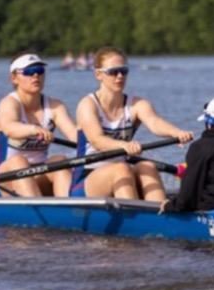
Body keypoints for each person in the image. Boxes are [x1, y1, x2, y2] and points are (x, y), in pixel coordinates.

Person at [72, 46, 193, 200]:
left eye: (124, 70)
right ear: (98, 74)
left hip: (122, 174)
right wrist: (124, 145)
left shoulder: (136, 104)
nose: (120, 76)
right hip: (86, 178)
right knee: (121, 169)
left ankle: (163, 216)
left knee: (147, 165)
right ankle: (136, 218)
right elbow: (97, 140)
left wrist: (176, 132)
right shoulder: (87, 105)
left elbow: (154, 122)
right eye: (113, 71)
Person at [0, 53, 79, 197]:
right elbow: (9, 128)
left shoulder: (54, 106)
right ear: (13, 78)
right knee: (18, 161)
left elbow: (75, 136)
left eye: (39, 71)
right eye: (28, 72)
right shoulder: (9, 104)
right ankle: (36, 211)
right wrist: (34, 129)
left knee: (60, 160)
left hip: (37, 175)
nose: (35, 76)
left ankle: (68, 212)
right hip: (4, 178)